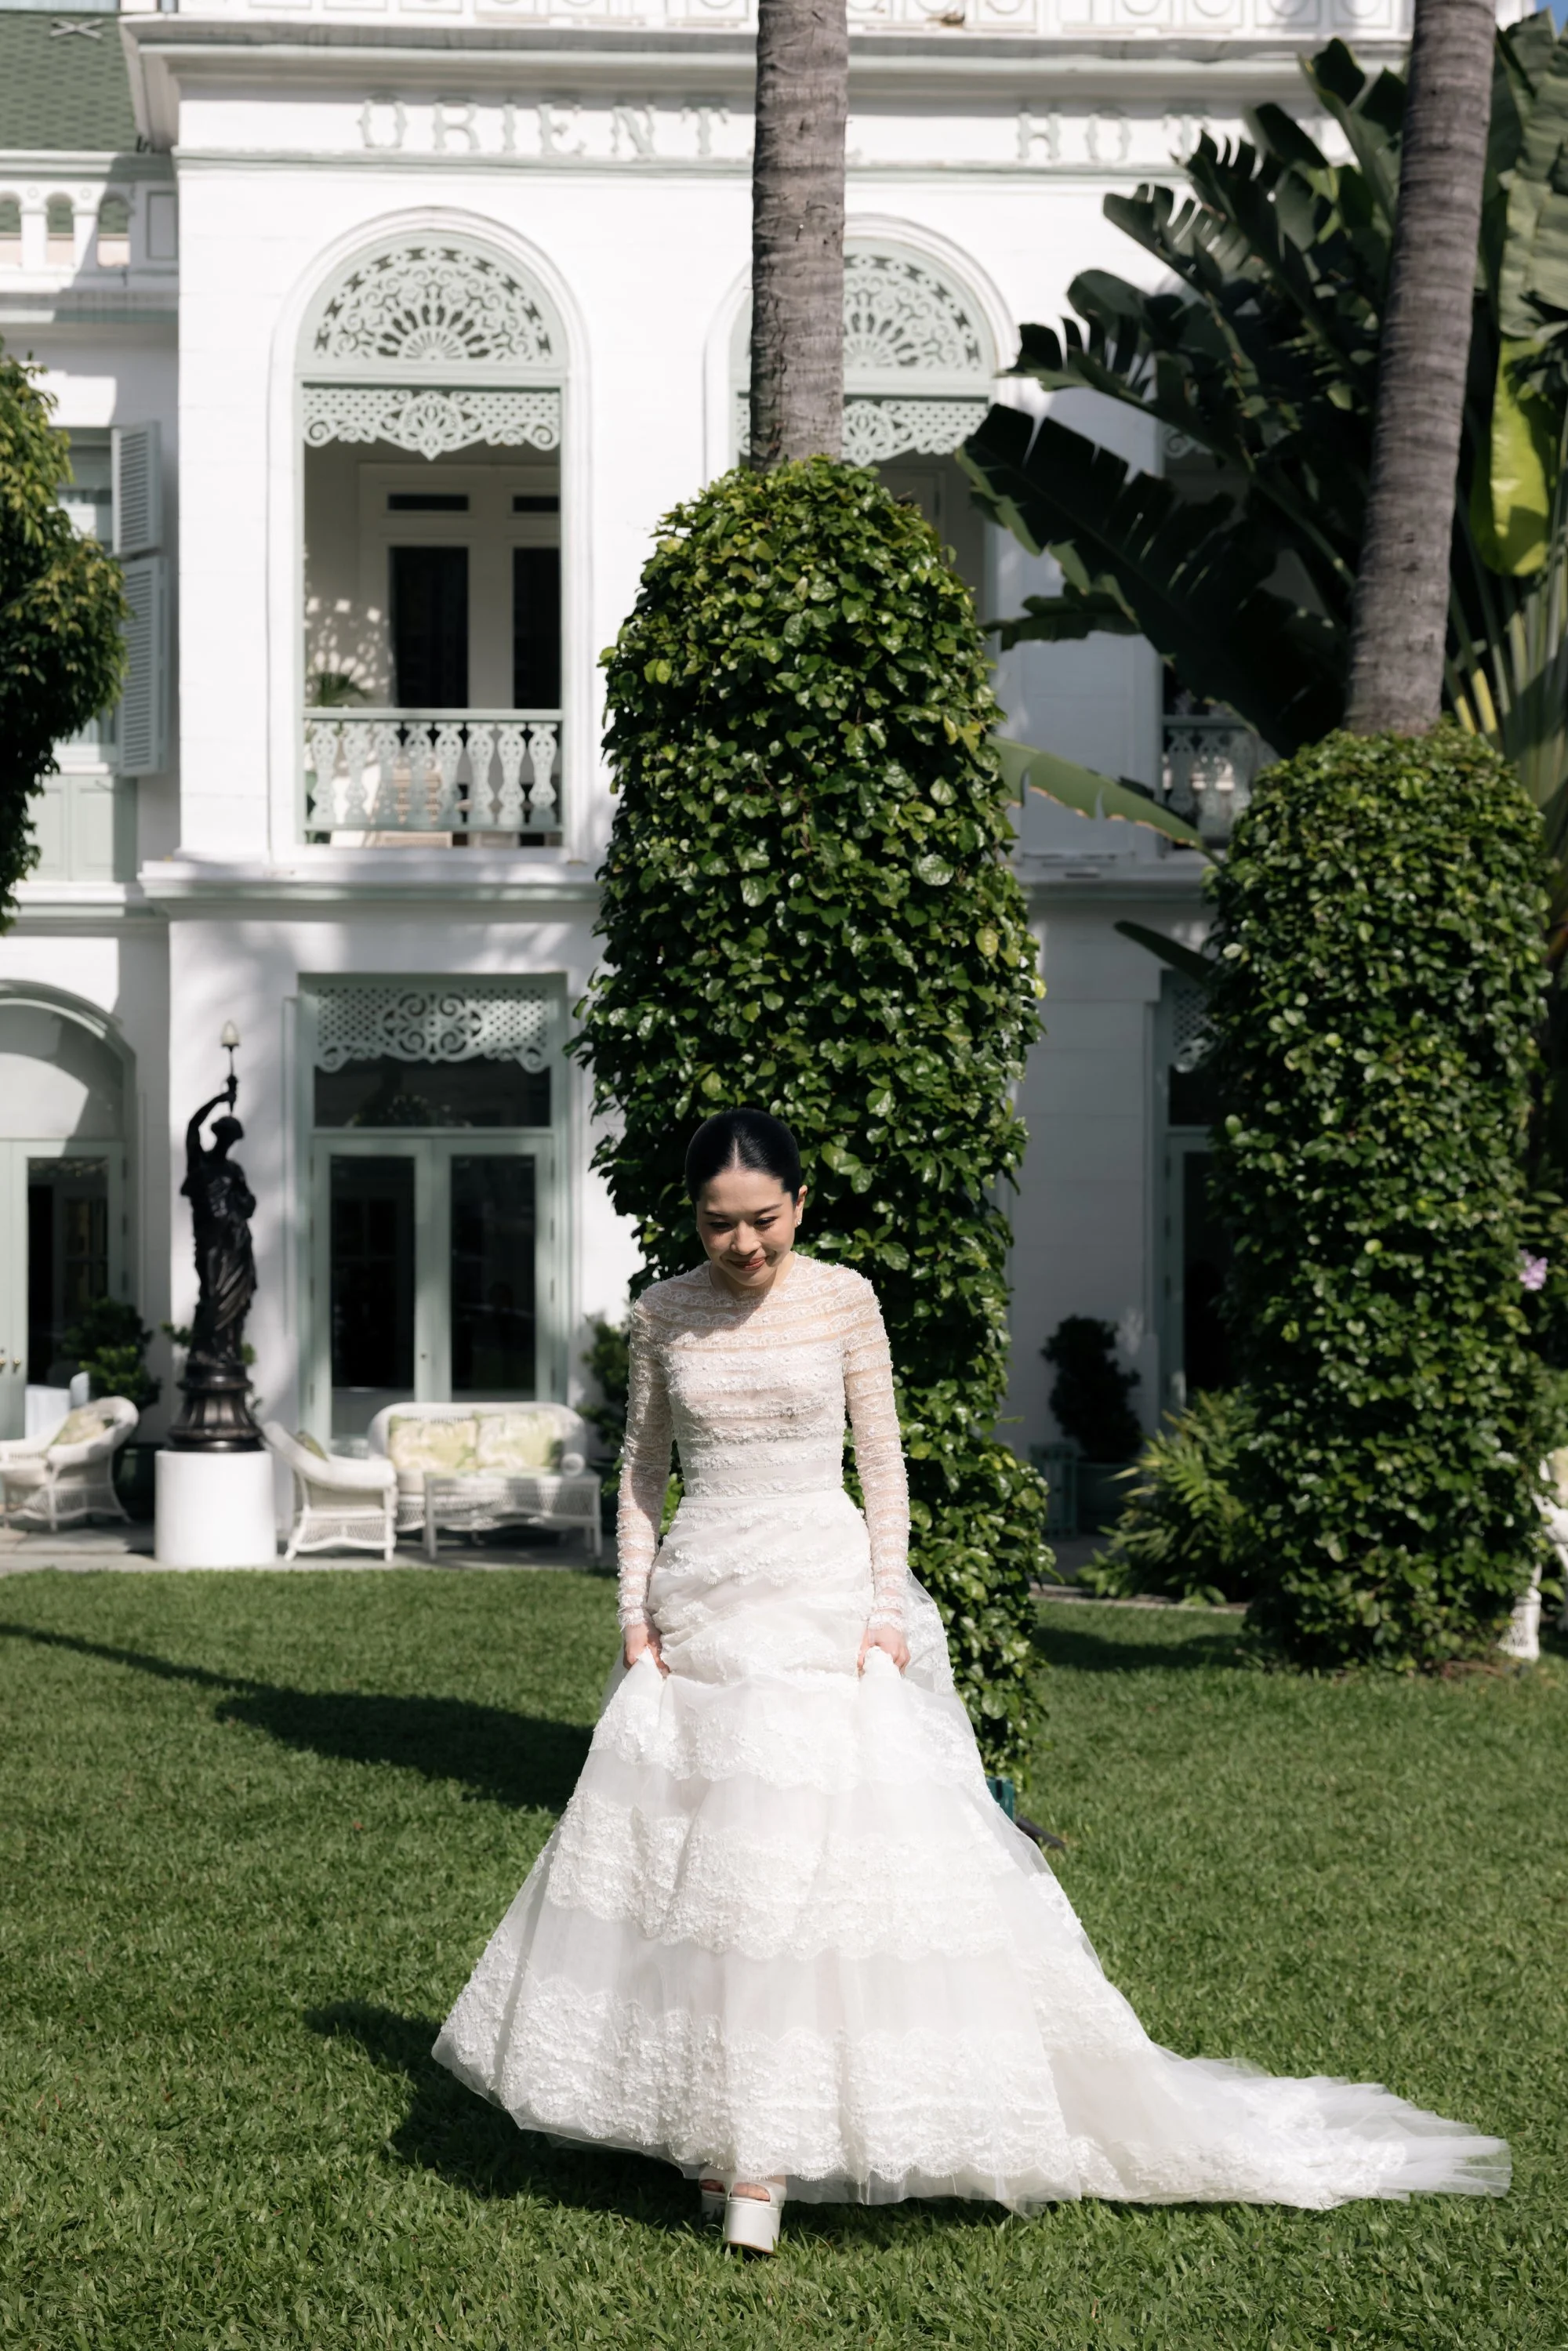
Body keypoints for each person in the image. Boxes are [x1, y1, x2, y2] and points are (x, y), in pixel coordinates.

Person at [433, 1108, 1508, 2252]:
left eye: (763, 1220)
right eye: (717, 1224)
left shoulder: (845, 1300)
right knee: (696, 1877)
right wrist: (633, 1613)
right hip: (701, 1613)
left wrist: (884, 1610)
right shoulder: (662, 1315)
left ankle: (762, 2158)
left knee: (796, 1874)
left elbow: (882, 1463)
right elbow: (643, 1473)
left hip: (820, 1601)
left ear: (801, 1203)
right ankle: (717, 2131)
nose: (742, 1244)